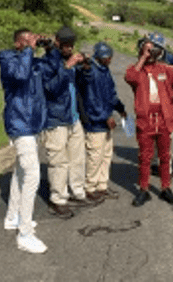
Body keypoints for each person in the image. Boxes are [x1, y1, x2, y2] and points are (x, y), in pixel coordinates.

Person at [125, 33, 173, 207]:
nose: (151, 52)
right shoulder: (137, 71)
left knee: (164, 156)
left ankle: (165, 188)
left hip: (163, 119)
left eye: (153, 49)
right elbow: (129, 77)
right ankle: (144, 189)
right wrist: (143, 57)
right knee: (145, 157)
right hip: (145, 120)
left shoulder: (165, 69)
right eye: (147, 48)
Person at [0, 28, 48, 254]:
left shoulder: (32, 61)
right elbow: (19, 75)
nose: (31, 43)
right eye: (26, 40)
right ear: (17, 44)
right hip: (20, 123)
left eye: (32, 39)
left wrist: (50, 49)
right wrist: (29, 49)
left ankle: (13, 217)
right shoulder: (8, 60)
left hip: (32, 123)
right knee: (32, 175)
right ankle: (25, 234)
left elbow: (50, 70)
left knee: (20, 172)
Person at [42, 26, 100, 218]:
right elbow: (50, 89)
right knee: (58, 161)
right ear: (57, 41)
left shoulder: (70, 61)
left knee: (77, 159)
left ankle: (77, 192)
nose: (69, 48)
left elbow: (84, 84)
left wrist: (86, 67)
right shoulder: (47, 62)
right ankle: (57, 199)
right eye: (65, 44)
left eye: (71, 45)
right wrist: (68, 67)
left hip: (73, 117)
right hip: (56, 119)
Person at [76, 42, 126, 201]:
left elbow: (111, 94)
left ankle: (102, 186)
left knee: (106, 155)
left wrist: (120, 108)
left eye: (110, 56)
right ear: (97, 57)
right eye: (105, 57)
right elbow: (92, 101)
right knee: (95, 157)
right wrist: (106, 116)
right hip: (95, 122)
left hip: (105, 121)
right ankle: (90, 188)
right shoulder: (91, 73)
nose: (109, 59)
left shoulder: (105, 71)